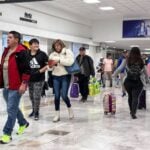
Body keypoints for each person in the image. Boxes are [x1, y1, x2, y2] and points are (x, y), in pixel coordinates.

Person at [0, 31, 30, 144]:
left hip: (16, 86)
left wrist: (24, 83)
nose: (7, 39)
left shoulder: (21, 52)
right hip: (6, 85)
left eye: (10, 37)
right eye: (7, 37)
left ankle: (7, 134)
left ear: (16, 39)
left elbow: (27, 70)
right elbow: (3, 67)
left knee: (11, 110)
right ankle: (23, 123)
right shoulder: (6, 51)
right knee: (12, 107)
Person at [113, 47, 149, 119]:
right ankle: (133, 112)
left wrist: (114, 75)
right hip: (139, 82)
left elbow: (120, 68)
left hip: (128, 82)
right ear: (139, 53)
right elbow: (145, 71)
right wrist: (147, 79)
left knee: (130, 96)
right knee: (136, 97)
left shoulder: (126, 60)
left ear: (131, 52)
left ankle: (131, 110)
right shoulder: (141, 60)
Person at [49, 39, 74, 122]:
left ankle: (70, 109)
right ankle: (57, 115)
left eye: (59, 45)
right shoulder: (52, 54)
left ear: (62, 45)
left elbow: (70, 62)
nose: (57, 47)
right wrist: (51, 65)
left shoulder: (67, 52)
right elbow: (50, 68)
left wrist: (59, 60)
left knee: (64, 95)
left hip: (65, 76)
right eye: (55, 46)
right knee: (56, 96)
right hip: (55, 76)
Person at [28, 39, 48, 120]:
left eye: (37, 44)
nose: (36, 45)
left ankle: (36, 112)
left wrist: (40, 71)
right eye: (34, 44)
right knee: (31, 96)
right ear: (30, 45)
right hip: (29, 79)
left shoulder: (42, 54)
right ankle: (33, 110)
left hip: (39, 79)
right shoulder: (27, 54)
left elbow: (47, 65)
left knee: (36, 96)